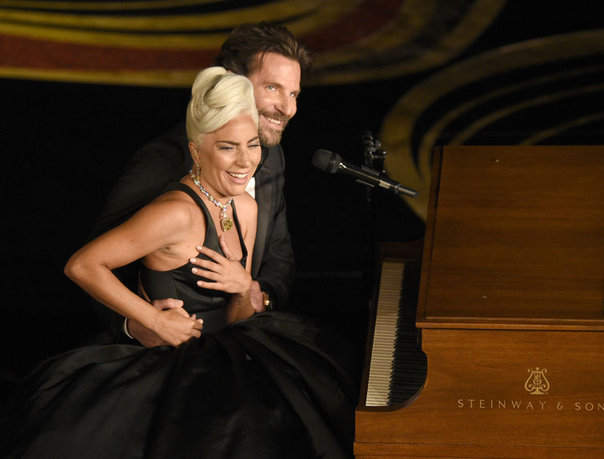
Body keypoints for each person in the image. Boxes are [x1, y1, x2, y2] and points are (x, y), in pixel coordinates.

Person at [1, 68, 356, 459]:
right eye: (228, 148)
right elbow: (83, 265)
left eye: (252, 145)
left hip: (229, 354)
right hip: (170, 367)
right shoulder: (175, 213)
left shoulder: (246, 207)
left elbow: (237, 319)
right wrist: (153, 321)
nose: (245, 161)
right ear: (196, 151)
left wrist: (243, 288)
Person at [90, 22, 311, 346]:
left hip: (233, 337)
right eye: (272, 88)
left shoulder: (270, 154)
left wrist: (254, 294)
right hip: (160, 348)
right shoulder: (160, 163)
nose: (288, 108)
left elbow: (279, 257)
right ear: (230, 80)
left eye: (293, 94)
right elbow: (97, 261)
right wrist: (136, 324)